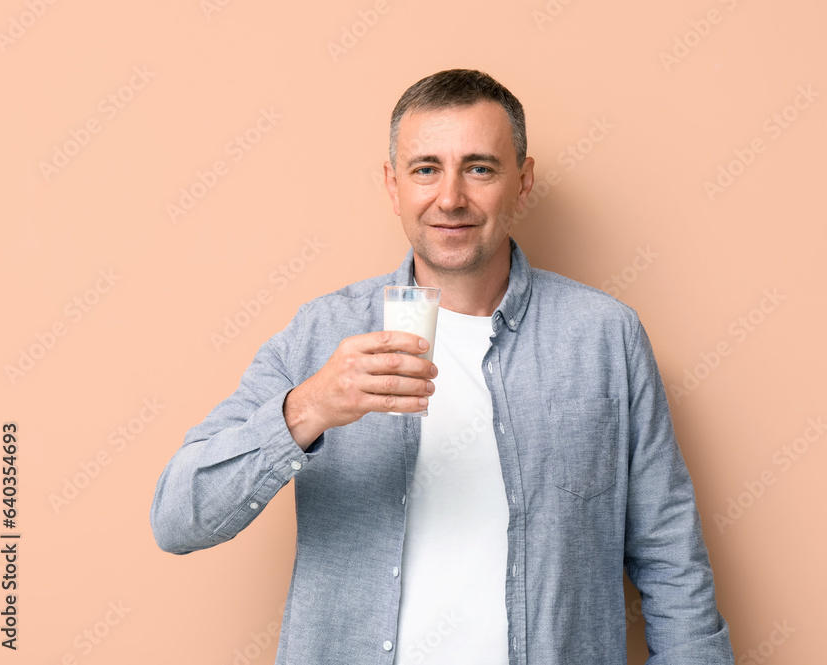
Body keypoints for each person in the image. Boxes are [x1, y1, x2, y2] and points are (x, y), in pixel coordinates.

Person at [150, 68, 734, 664]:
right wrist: (310, 408)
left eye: (479, 168)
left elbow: (673, 564)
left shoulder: (606, 337)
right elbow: (178, 517)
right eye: (425, 168)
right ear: (393, 185)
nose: (450, 197)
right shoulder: (322, 333)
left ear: (523, 183)